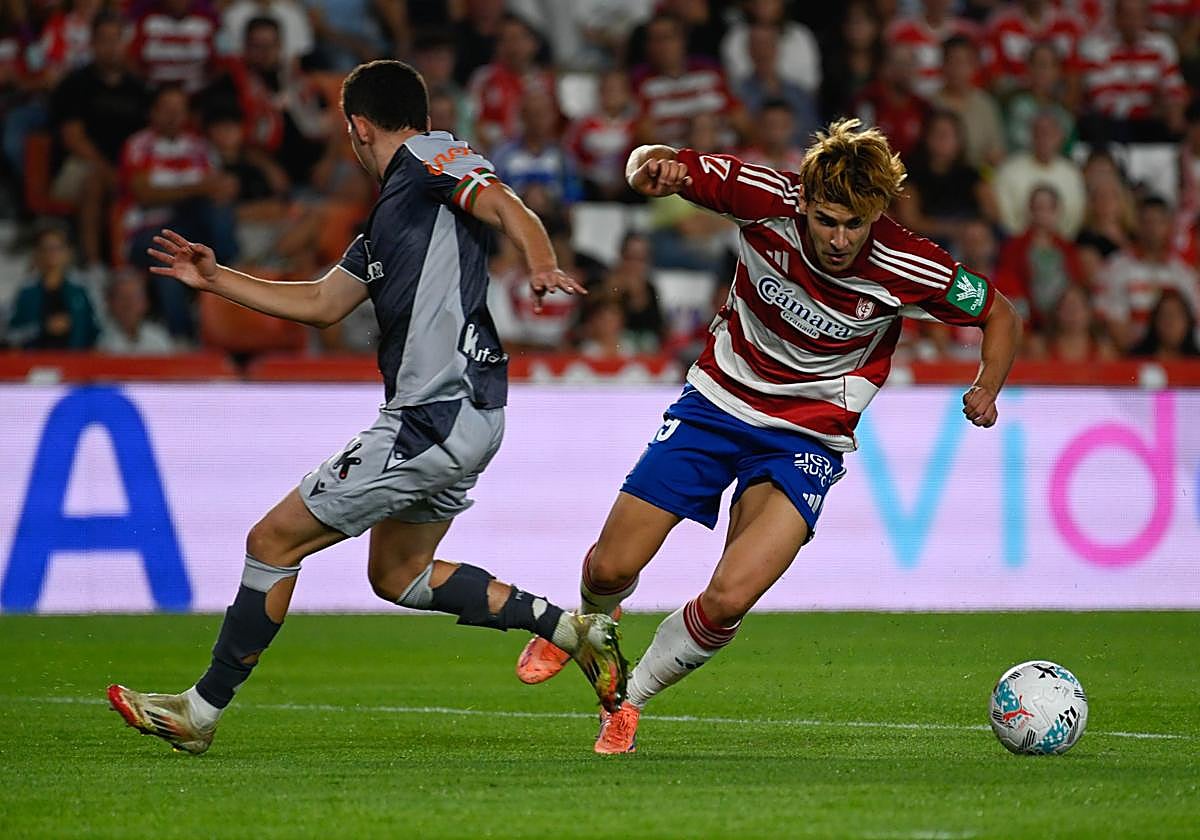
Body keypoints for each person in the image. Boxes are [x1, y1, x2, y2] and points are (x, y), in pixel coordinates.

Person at [106, 60, 628, 756]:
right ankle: (571, 630)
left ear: (357, 127)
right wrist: (216, 278)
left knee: (272, 542)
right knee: (397, 575)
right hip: (463, 414)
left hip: (435, 413)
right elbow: (325, 303)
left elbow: (507, 203)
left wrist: (538, 260)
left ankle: (201, 711)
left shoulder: (429, 155)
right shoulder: (392, 217)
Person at [513, 118, 1021, 754]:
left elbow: (1000, 313)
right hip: (717, 404)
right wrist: (649, 171)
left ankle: (627, 701)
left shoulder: (910, 262)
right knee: (612, 565)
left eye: (856, 225)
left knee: (729, 597)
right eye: (827, 220)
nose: (840, 240)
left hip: (809, 436)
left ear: (876, 214)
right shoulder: (761, 195)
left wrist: (986, 386)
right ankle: (591, 618)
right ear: (804, 200)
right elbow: (652, 159)